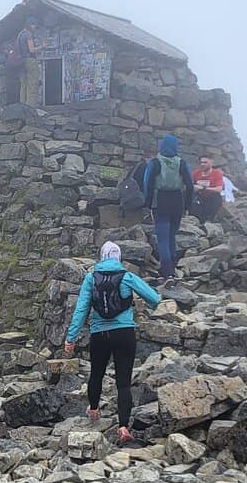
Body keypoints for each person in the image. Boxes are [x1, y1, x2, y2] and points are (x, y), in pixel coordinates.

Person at [64, 242, 161, 443]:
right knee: (123, 382)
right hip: (124, 332)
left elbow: (81, 309)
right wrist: (150, 304)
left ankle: (93, 410)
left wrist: (71, 338)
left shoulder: (91, 278)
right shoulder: (127, 276)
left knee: (96, 374)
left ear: (101, 256)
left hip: (100, 334)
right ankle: (124, 426)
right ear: (118, 257)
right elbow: (154, 298)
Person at [143, 135, 195, 283]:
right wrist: (187, 205)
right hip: (177, 201)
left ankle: (167, 272)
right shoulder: (181, 163)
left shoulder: (155, 163)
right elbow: (190, 185)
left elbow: (147, 184)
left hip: (161, 201)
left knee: (163, 238)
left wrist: (147, 203)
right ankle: (172, 267)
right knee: (172, 236)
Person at [191, 156, 224, 222]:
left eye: (205, 162)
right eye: (201, 162)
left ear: (211, 163)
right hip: (199, 198)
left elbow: (219, 189)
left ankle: (210, 219)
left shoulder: (217, 173)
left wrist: (203, 188)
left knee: (216, 197)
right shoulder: (195, 173)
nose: (202, 164)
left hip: (210, 199)